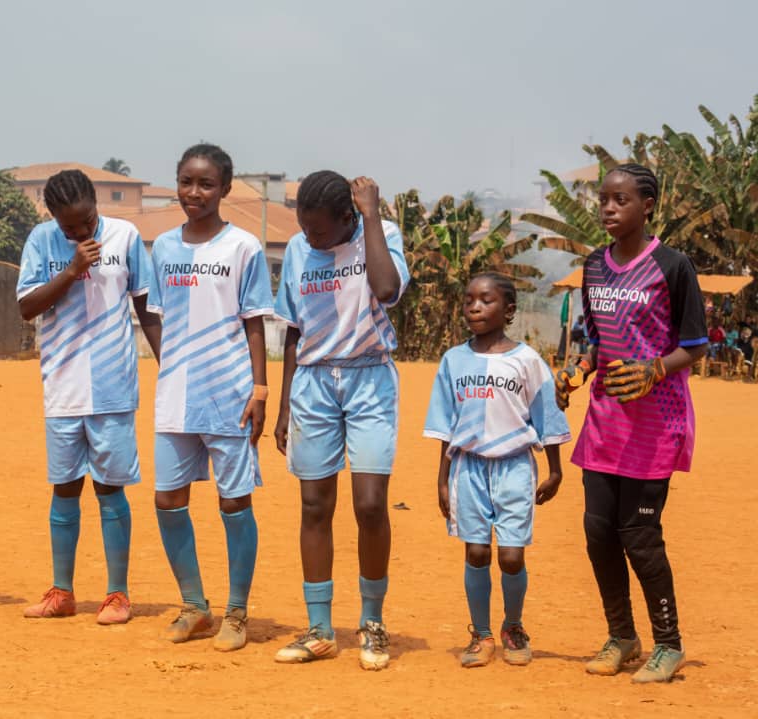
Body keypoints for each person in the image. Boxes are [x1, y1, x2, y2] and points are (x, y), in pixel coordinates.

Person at [556, 163, 707, 683]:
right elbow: (597, 340)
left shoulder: (672, 265)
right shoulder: (594, 266)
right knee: (599, 533)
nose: (607, 208)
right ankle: (622, 637)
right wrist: (579, 367)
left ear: (647, 206)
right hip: (605, 422)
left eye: (620, 200)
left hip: (655, 425)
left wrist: (654, 369)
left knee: (639, 535)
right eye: (603, 199)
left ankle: (669, 644)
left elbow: (695, 345)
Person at [270, 171, 409, 670]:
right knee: (314, 505)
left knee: (370, 505)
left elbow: (388, 290)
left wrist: (372, 216)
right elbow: (292, 330)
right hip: (313, 383)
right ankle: (320, 628)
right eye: (306, 230)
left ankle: (372, 622)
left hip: (369, 378)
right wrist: (285, 404)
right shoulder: (298, 251)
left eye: (322, 232)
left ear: (349, 218)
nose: (312, 239)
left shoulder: (381, 235)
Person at [16, 169, 161, 624]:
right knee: (64, 488)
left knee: (110, 488)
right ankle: (62, 591)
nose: (80, 232)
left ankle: (117, 594)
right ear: (53, 216)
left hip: (113, 385)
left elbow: (146, 306)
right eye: (69, 228)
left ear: (96, 204)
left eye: (87, 222)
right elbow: (26, 307)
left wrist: (168, 363)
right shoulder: (41, 241)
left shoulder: (125, 236)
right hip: (62, 384)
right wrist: (72, 269)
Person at [148, 143, 273, 652]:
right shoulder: (162, 247)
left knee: (233, 501)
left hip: (230, 394)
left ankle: (237, 612)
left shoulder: (243, 247)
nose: (193, 193)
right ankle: (195, 606)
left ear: (224, 188)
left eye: (205, 184)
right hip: (176, 396)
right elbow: (158, 317)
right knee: (168, 500)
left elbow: (255, 323)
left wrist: (260, 389)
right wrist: (172, 368)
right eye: (185, 182)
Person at [425, 273, 570, 668]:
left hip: (514, 469)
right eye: (469, 299)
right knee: (475, 551)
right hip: (467, 469)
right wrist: (442, 478)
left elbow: (547, 416)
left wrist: (554, 470)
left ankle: (513, 625)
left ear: (508, 311)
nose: (474, 307)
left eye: (485, 300)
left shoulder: (527, 361)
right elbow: (445, 425)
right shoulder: (453, 360)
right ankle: (482, 633)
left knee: (510, 557)